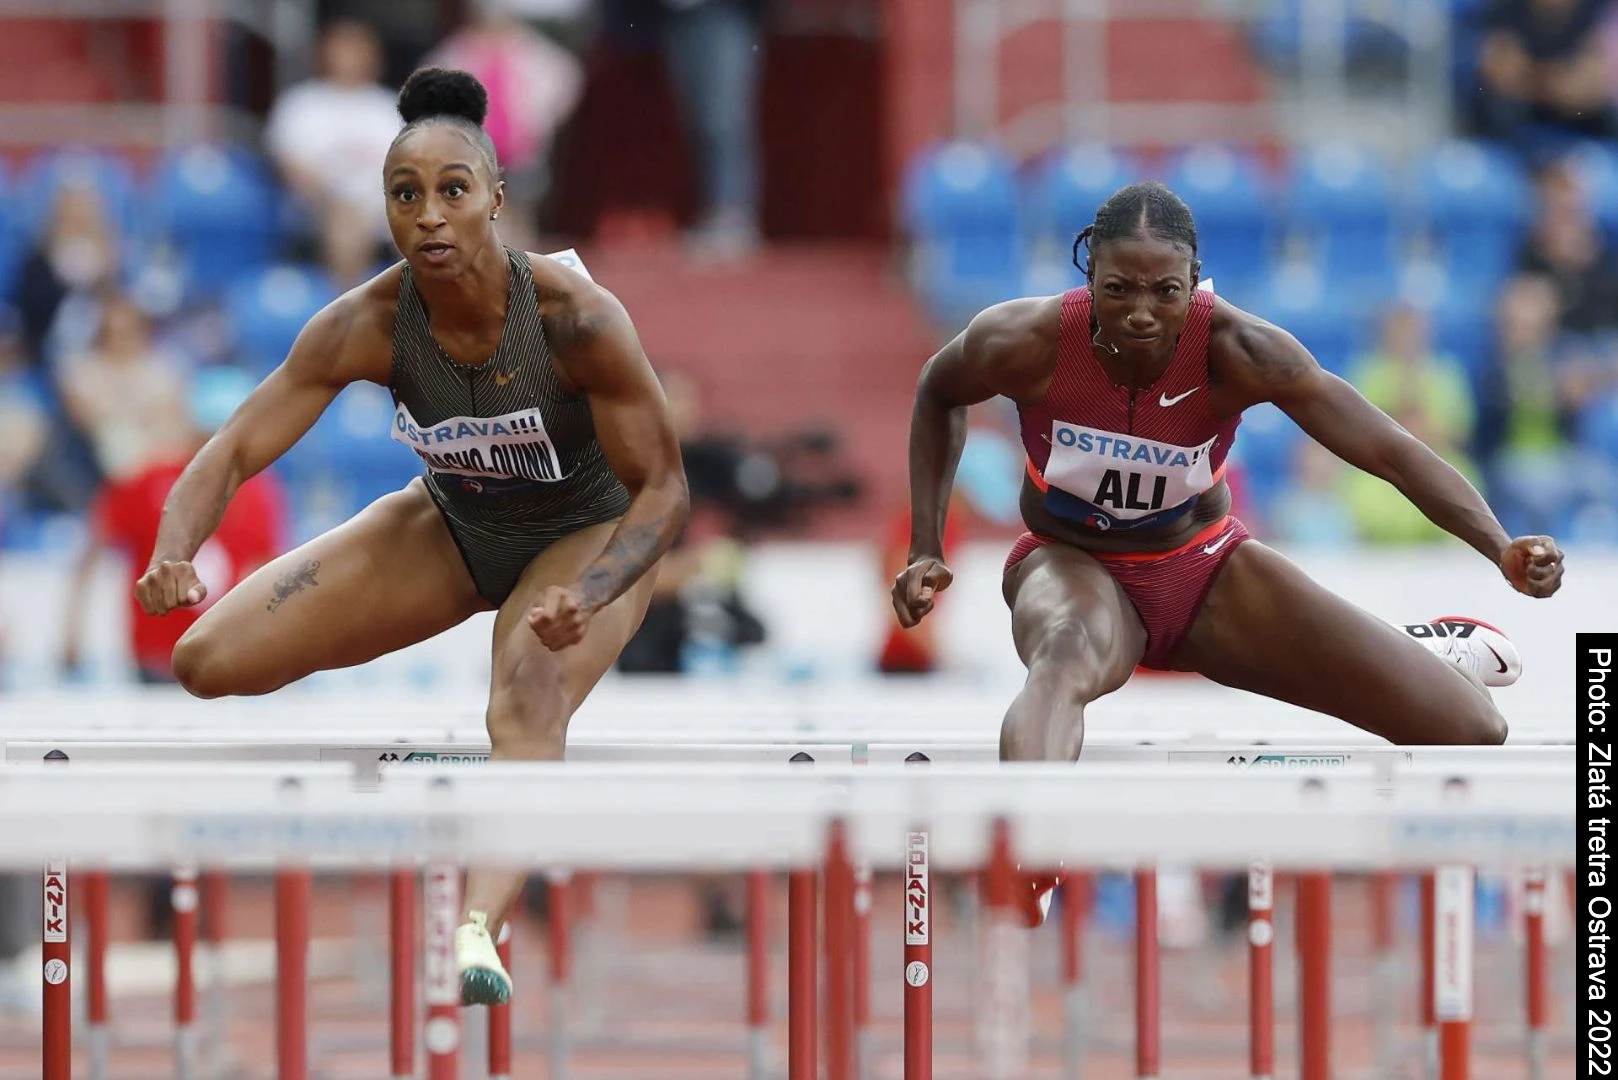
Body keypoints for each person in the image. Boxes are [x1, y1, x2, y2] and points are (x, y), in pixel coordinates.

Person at [134, 68, 689, 1005]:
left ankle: (475, 927)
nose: (429, 215)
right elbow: (231, 448)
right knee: (204, 659)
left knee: (528, 692)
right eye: (406, 195)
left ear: (496, 201)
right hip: (454, 524)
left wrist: (593, 593)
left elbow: (666, 491)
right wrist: (173, 549)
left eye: (452, 191)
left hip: (583, 532)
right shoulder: (368, 322)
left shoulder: (576, 318)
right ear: (386, 209)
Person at [891, 182, 1565, 923]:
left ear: (1196, 282)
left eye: (1165, 292)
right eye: (1118, 290)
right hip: (1071, 562)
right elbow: (937, 390)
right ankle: (1027, 851)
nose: (1142, 313)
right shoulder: (1024, 341)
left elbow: (1389, 450)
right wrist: (926, 544)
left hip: (1206, 570)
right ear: (1089, 278)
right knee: (1064, 653)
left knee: (1470, 729)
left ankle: (1413, 649)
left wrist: (1498, 545)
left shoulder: (1243, 350)